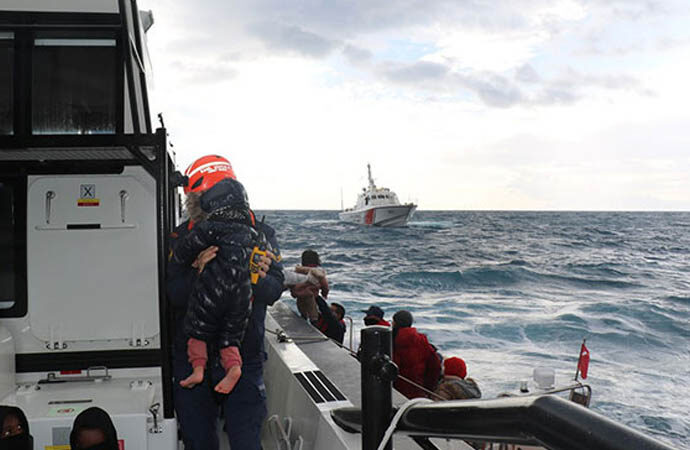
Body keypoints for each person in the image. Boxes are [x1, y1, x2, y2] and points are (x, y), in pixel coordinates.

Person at [167, 154, 285, 450]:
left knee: (246, 441)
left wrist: (248, 273)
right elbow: (172, 294)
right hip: (192, 357)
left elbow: (273, 290)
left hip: (244, 357)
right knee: (199, 442)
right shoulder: (181, 239)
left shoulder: (261, 235)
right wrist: (199, 273)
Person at [171, 174, 257, 394]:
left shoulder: (210, 227)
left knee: (197, 329)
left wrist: (187, 262)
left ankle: (198, 368)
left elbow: (185, 250)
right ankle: (234, 368)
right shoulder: (253, 232)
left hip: (213, 288)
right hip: (242, 294)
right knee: (232, 336)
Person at [391, 310, 441, 399]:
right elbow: (435, 366)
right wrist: (428, 388)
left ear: (395, 323)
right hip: (418, 392)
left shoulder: (390, 341)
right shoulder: (422, 341)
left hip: (395, 393)